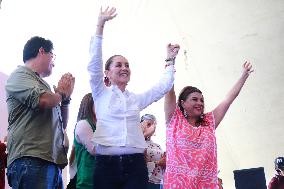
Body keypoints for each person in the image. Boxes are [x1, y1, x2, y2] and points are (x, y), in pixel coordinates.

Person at [87, 6, 180, 189]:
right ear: (107, 72)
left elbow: (161, 88)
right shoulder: (100, 93)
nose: (124, 68)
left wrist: (170, 61)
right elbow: (94, 63)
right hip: (106, 166)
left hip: (135, 166)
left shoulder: (135, 100)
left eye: (127, 65)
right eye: (118, 65)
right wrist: (100, 25)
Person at [163, 62, 253, 188]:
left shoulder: (209, 122)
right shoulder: (174, 120)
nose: (199, 103)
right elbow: (169, 90)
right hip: (177, 185)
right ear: (182, 103)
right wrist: (170, 62)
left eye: (202, 100)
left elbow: (228, 99)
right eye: (194, 99)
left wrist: (244, 75)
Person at [5, 36, 75, 189]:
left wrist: (66, 99)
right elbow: (44, 100)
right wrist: (61, 94)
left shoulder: (46, 87)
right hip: (31, 159)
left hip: (50, 161)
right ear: (42, 51)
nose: (54, 62)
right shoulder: (20, 74)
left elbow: (62, 122)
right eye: (53, 56)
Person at [73, 93, 96, 189]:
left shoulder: (100, 126)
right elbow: (95, 150)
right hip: (88, 182)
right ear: (90, 105)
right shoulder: (84, 124)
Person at [140, 114, 166, 189]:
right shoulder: (137, 143)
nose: (152, 127)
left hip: (158, 182)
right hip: (145, 181)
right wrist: (158, 163)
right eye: (148, 124)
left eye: (153, 124)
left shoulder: (157, 146)